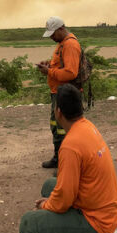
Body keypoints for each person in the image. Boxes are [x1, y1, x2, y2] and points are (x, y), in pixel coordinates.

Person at [19, 84, 117, 233]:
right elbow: (64, 192)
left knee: (28, 226)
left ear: (58, 112)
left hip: (97, 224)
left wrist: (45, 205)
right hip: (105, 211)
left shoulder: (70, 146)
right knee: (50, 185)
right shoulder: (87, 127)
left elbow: (63, 200)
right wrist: (52, 200)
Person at [36, 17, 81, 168]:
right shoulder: (62, 44)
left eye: (53, 34)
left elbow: (70, 73)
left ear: (61, 29)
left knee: (64, 130)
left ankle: (66, 164)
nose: (52, 38)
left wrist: (49, 71)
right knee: (57, 127)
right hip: (58, 93)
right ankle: (59, 158)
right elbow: (60, 65)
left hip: (65, 96)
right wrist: (49, 65)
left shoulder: (70, 45)